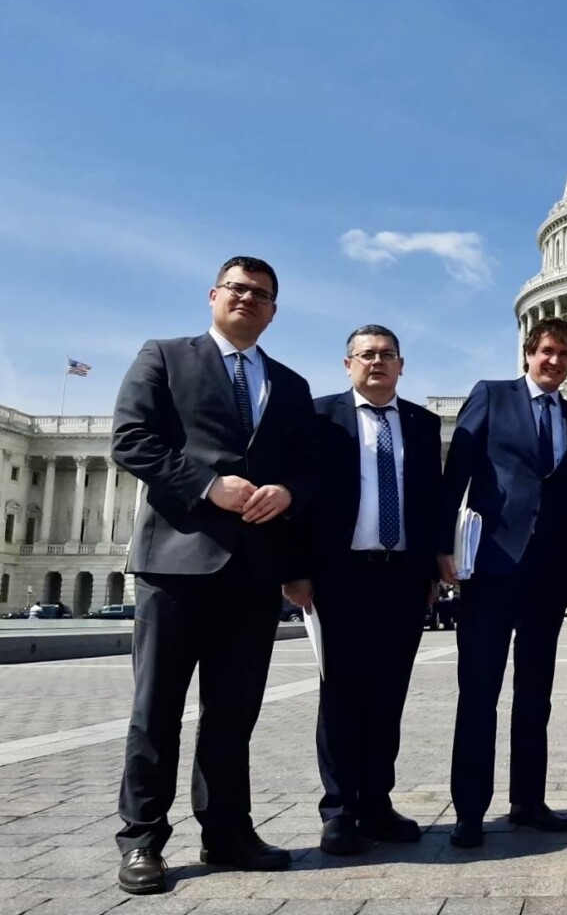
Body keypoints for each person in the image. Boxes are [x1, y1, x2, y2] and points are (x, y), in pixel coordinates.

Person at [111, 257, 317, 894]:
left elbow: (310, 468)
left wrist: (286, 490)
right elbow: (131, 440)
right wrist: (209, 486)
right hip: (177, 561)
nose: (249, 300)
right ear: (214, 295)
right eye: (239, 289)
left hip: (253, 571)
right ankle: (143, 840)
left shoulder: (289, 383)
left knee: (233, 712)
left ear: (274, 310)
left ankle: (227, 829)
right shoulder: (166, 356)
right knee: (157, 712)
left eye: (262, 295)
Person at [287, 326, 442, 855]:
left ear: (402, 366)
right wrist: (297, 569)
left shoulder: (422, 423)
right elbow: (299, 498)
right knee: (339, 693)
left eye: (387, 356)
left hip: (401, 574)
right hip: (339, 573)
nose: (377, 363)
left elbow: (431, 502)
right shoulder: (316, 417)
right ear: (347, 363)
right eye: (366, 355)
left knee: (387, 696)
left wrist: (429, 572)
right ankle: (339, 810)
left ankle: (376, 802)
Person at [438, 317, 567, 849]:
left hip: (549, 573)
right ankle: (470, 810)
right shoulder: (492, 396)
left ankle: (527, 800)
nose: (555, 361)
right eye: (547, 351)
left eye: (565, 354)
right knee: (479, 692)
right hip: (493, 566)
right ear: (528, 352)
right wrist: (442, 549)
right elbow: (455, 473)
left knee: (536, 695)